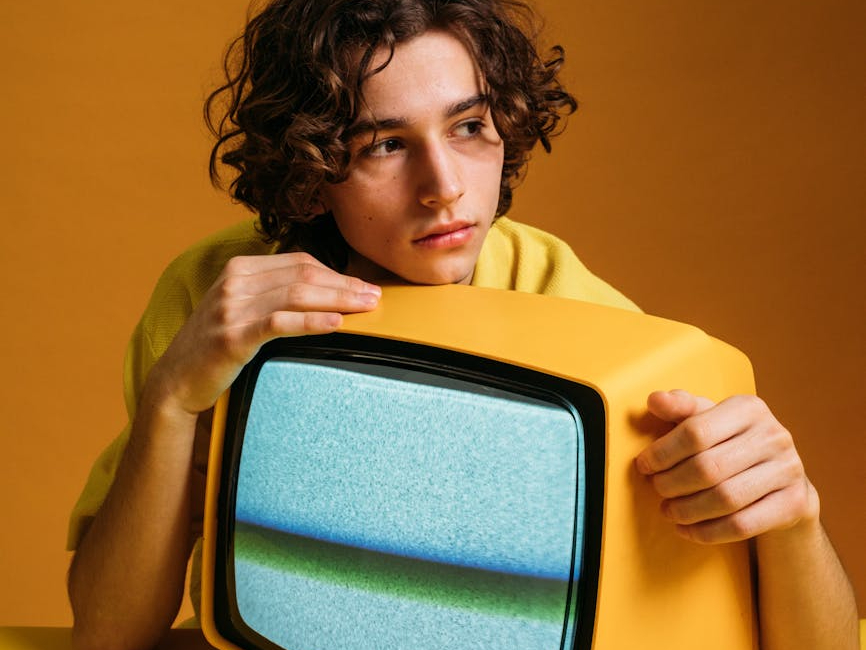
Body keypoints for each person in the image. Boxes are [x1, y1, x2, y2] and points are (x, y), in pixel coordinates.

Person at [66, 1, 859, 649]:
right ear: (310, 167)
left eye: (469, 126)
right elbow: (107, 634)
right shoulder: (214, 293)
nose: (443, 186)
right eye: (384, 144)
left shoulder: (575, 309)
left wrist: (792, 514)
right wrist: (172, 399)